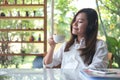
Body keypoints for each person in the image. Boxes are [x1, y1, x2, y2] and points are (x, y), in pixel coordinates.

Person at [43, 8, 108, 69]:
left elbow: (98, 66)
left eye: (80, 21)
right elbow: (48, 64)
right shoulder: (67, 45)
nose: (74, 24)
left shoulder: (99, 45)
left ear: (90, 26)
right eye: (74, 21)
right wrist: (52, 47)